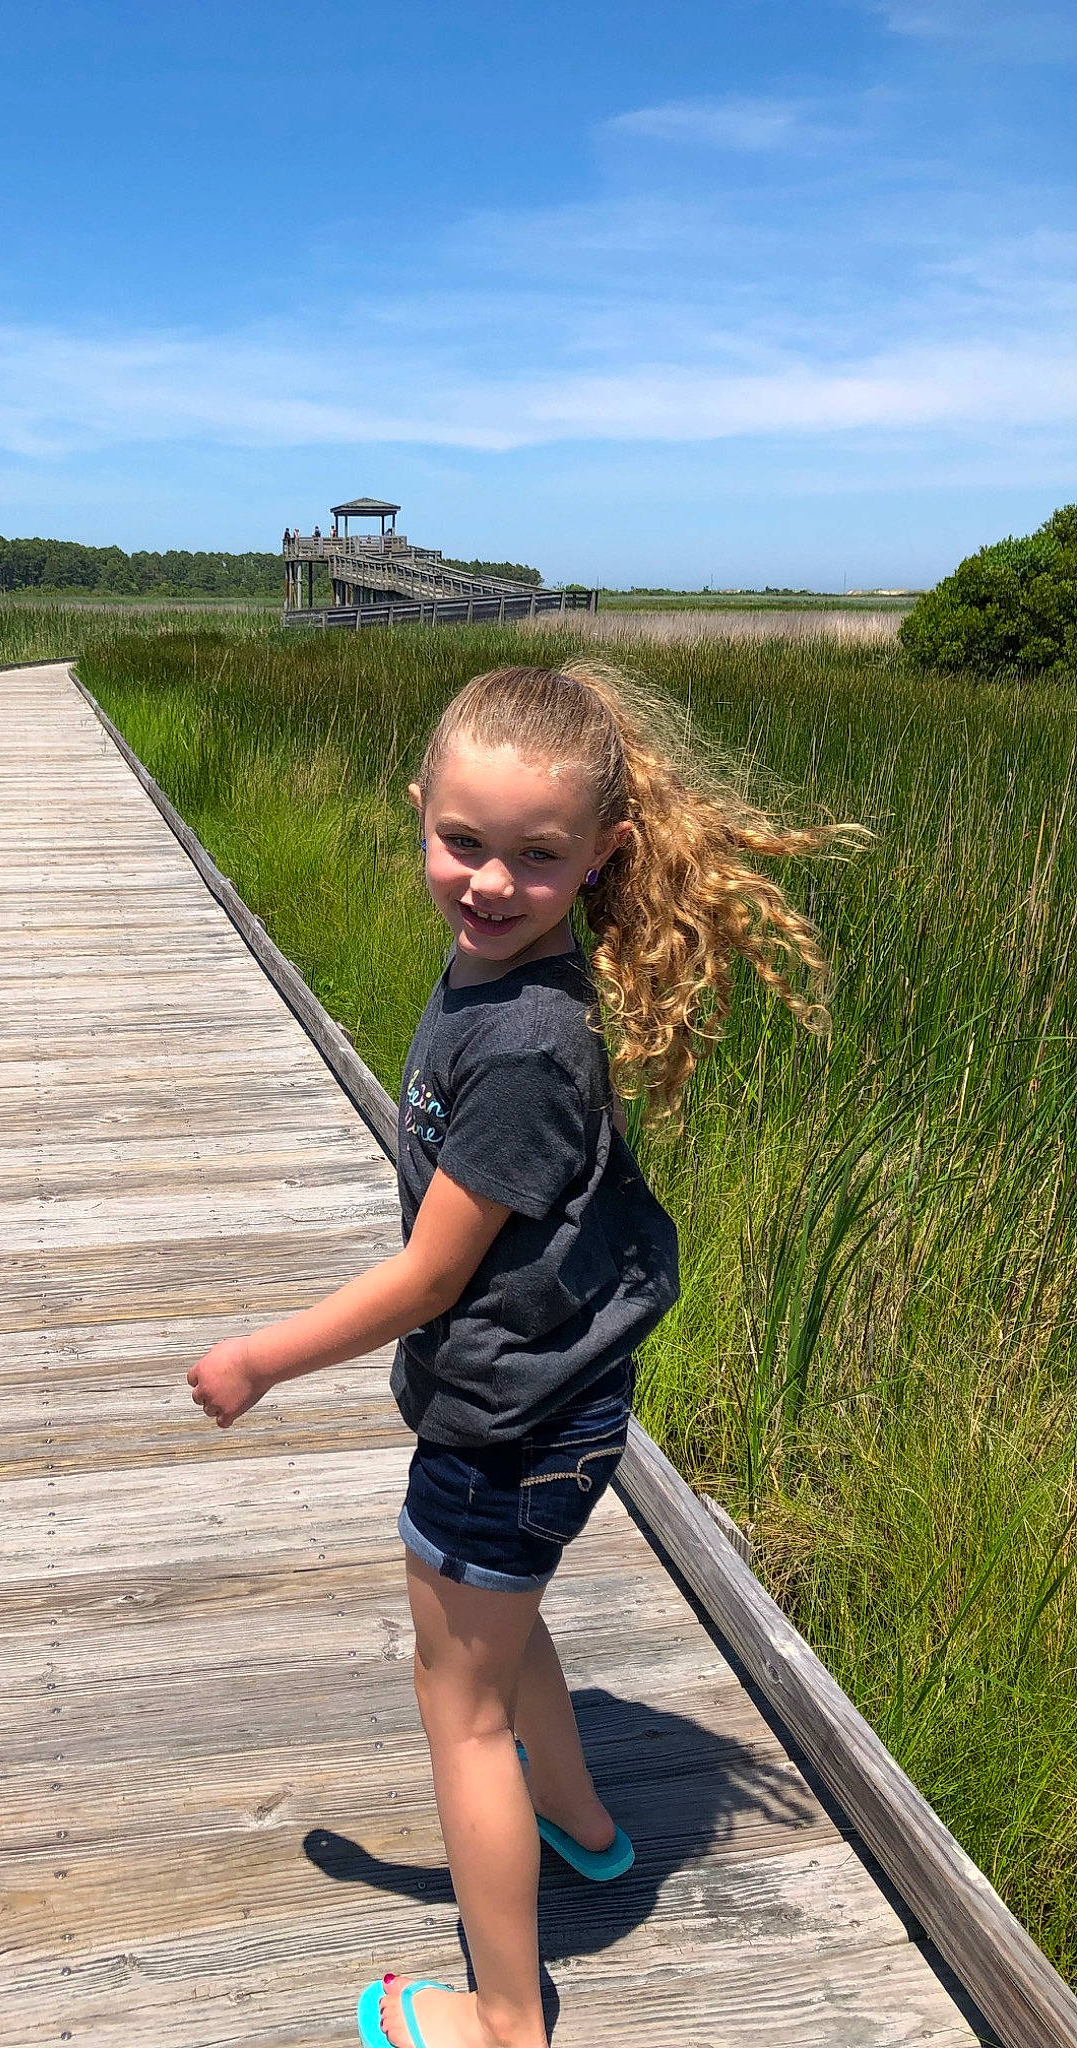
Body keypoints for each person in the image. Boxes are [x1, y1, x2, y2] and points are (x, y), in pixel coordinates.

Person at [188, 662, 848, 2048]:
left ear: (601, 855)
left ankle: (502, 2015)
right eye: (463, 843)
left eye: (536, 859)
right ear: (418, 808)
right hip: (551, 1394)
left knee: (459, 1708)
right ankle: (588, 1824)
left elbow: (432, 1274)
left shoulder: (534, 1044)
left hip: (510, 1416)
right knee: (503, 1625)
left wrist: (262, 1358)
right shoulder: (504, 972)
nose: (488, 882)